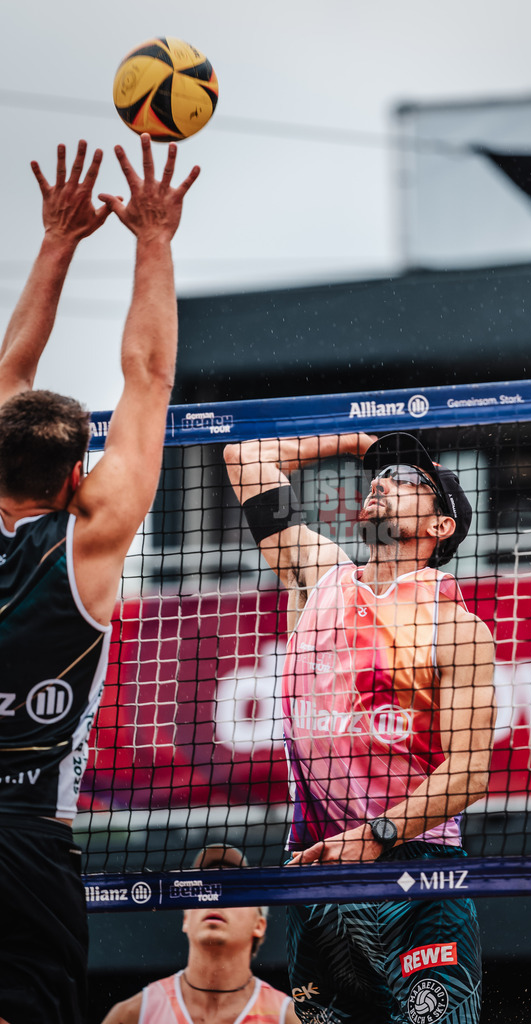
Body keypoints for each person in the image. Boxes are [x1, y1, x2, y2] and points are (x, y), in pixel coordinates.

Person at [0, 135, 199, 1024]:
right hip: (30, 840)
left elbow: (10, 376)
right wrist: (151, 239)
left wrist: (55, 241)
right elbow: (148, 376)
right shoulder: (88, 536)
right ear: (76, 478)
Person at [223, 432, 496, 1024]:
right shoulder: (319, 575)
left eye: (408, 482)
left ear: (441, 528)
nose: (382, 482)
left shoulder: (457, 629)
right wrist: (361, 443)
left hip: (418, 876)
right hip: (318, 877)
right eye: (381, 476)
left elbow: (472, 772)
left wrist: (377, 833)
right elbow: (244, 457)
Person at [101, 844, 298, 1024]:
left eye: (231, 889)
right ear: (186, 920)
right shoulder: (132, 1015)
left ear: (259, 925)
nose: (213, 897)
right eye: (202, 887)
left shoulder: (287, 1017)